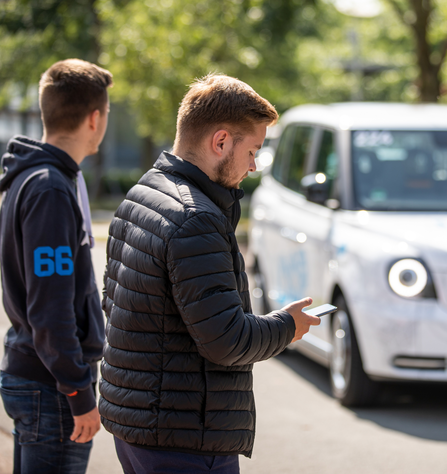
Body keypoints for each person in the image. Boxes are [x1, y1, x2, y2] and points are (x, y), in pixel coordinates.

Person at [99, 74, 321, 473]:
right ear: (220, 142)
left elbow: (111, 301)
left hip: (138, 425)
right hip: (183, 438)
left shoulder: (143, 193)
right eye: (252, 151)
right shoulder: (196, 219)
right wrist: (287, 326)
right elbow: (227, 341)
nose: (254, 166)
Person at [0, 59, 113, 473]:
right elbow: (50, 308)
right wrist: (79, 392)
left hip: (43, 380)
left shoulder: (37, 179)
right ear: (95, 118)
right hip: (52, 388)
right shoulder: (48, 188)